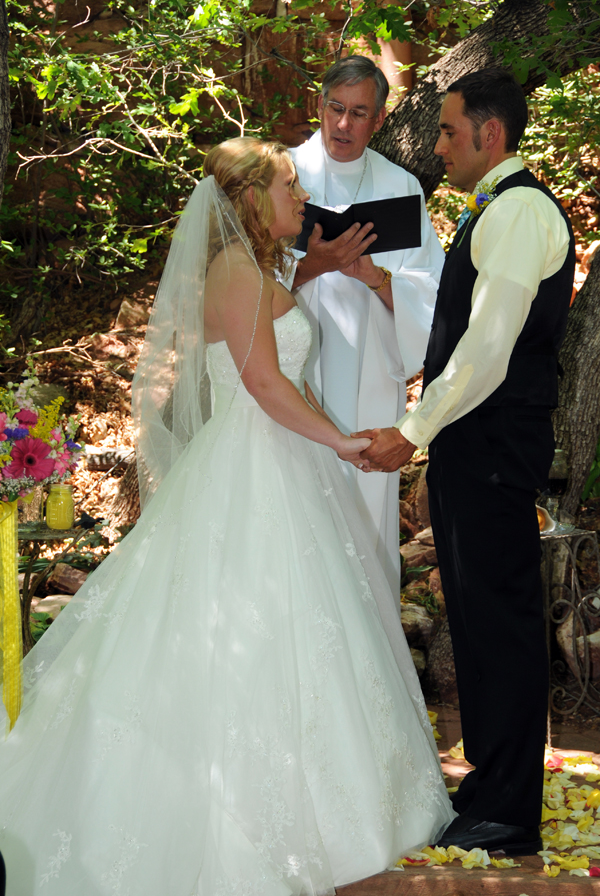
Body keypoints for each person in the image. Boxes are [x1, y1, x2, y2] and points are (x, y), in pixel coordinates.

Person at [0, 137, 453, 896]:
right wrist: (342, 441)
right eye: (288, 186)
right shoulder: (236, 272)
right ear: (250, 198)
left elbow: (277, 367)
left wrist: (313, 285)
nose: (301, 197)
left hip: (280, 460)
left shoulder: (258, 267)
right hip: (254, 461)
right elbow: (266, 387)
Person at [358, 68, 576, 854]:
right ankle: (490, 783)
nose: (440, 146)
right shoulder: (494, 208)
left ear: (490, 133)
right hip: (472, 443)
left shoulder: (518, 212)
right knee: (478, 618)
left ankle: (510, 812)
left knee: (502, 619)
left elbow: (488, 347)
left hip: (494, 443)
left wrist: (412, 429)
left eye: (449, 131)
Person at [289, 56, 445, 605]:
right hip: (293, 367)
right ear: (319, 104)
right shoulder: (282, 176)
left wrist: (376, 278)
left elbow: (432, 292)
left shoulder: (400, 187)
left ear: (379, 119)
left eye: (359, 113)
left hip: (371, 374)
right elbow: (241, 279)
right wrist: (313, 265)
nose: (343, 124)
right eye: (335, 108)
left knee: (362, 509)